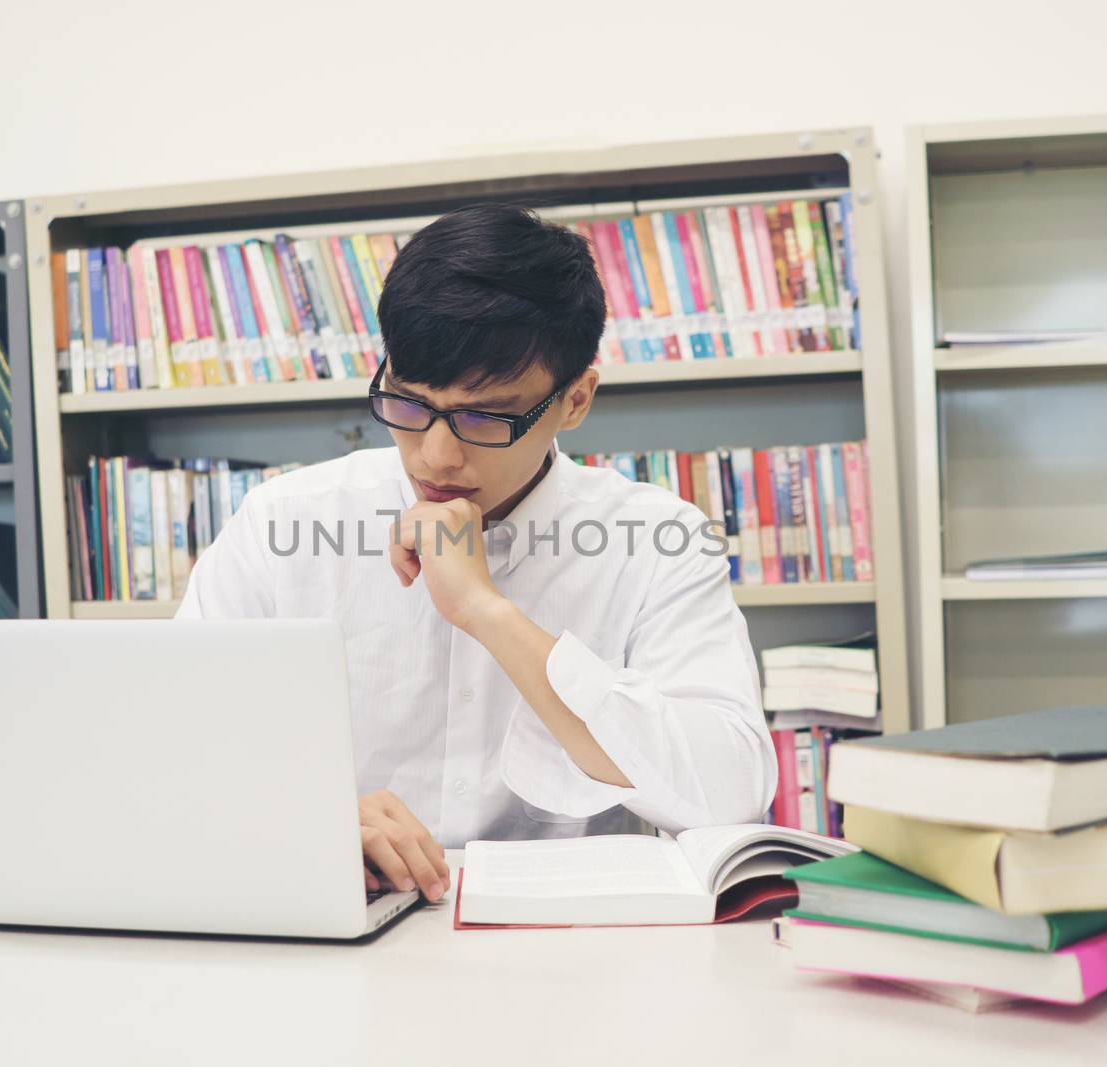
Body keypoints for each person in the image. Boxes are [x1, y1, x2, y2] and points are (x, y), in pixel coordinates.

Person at [176, 203, 777, 903]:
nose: (435, 454)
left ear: (575, 399)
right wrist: (309, 817)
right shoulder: (282, 523)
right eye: (407, 403)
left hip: (569, 954)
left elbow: (729, 794)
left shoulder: (656, 541)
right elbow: (176, 749)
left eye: (483, 417)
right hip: (337, 931)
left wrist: (488, 612)